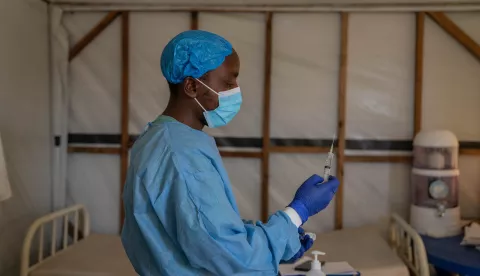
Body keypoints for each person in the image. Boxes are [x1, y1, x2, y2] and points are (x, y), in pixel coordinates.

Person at [121, 30, 340, 276]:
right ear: (192, 86)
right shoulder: (179, 155)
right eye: (228, 83)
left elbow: (204, 227)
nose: (236, 91)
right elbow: (233, 257)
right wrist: (298, 212)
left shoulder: (161, 138)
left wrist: (281, 238)